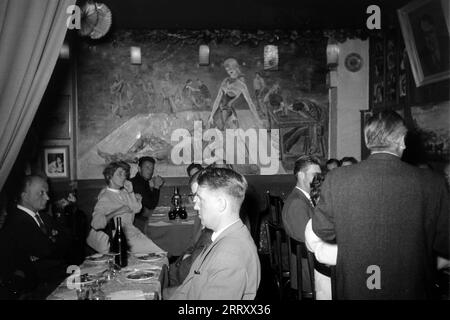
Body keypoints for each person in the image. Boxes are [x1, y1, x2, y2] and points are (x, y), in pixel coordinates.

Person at [312, 110, 449, 299]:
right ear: (402, 141)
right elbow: (446, 243)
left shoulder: (337, 178)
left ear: (368, 142)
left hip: (356, 288)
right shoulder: (433, 182)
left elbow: (322, 230)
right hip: (410, 289)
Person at [168, 167, 261, 299]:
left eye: (200, 199)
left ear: (221, 204)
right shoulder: (222, 236)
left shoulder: (230, 255)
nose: (195, 206)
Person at [0, 175, 75, 299]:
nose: (47, 197)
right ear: (24, 196)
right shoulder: (17, 222)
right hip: (36, 288)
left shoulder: (44, 217)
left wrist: (53, 241)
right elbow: (46, 251)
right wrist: (55, 241)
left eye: (47, 192)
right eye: (41, 193)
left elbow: (68, 241)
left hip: (55, 277)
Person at [89, 161, 164, 254]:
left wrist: (131, 192)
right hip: (117, 239)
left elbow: (136, 209)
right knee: (158, 254)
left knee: (159, 253)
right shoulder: (105, 196)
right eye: (120, 174)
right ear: (109, 176)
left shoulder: (124, 192)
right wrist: (116, 212)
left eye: (125, 174)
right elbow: (96, 224)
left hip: (131, 233)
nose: (124, 177)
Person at [281, 155, 321, 296]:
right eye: (315, 175)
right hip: (307, 271)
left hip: (307, 265)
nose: (319, 179)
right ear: (301, 175)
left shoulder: (303, 198)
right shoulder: (297, 203)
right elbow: (309, 243)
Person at [168, 170, 213, 286]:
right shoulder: (207, 222)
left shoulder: (215, 232)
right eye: (193, 196)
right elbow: (194, 244)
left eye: (198, 196)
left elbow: (189, 275)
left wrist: (184, 260)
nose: (194, 204)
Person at [208, 58, 264, 130]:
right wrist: (212, 115)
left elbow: (250, 103)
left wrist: (258, 119)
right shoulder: (225, 81)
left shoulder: (241, 86)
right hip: (220, 111)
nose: (229, 71)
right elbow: (217, 100)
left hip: (228, 112)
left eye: (230, 69)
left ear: (236, 68)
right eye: (227, 70)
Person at [130, 157, 164, 230]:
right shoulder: (138, 183)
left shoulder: (142, 181)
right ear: (139, 169)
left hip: (139, 221)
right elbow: (151, 205)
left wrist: (152, 186)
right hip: (135, 223)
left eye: (152, 168)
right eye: (147, 167)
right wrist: (156, 186)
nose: (150, 171)